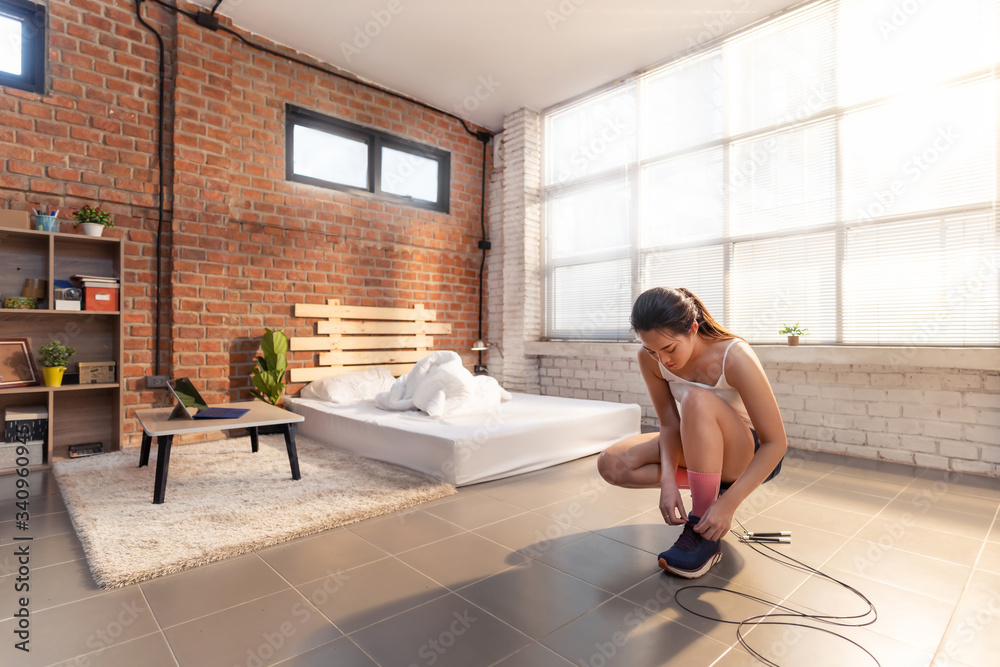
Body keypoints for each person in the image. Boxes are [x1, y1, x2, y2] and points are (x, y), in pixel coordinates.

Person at [597, 287, 786, 578]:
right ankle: (708, 490)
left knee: (695, 399)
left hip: (746, 453)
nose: (663, 360)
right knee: (612, 464)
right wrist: (667, 480)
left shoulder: (733, 356)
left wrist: (728, 504)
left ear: (693, 328)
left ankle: (703, 527)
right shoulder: (652, 359)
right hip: (696, 440)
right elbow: (671, 424)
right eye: (652, 350)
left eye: (669, 349)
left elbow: (776, 443)